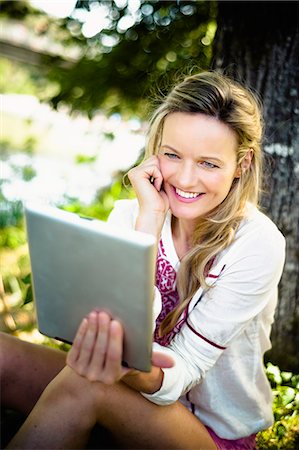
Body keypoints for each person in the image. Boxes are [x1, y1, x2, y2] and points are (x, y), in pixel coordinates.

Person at [1, 71, 285, 450]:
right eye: (172, 155)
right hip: (120, 388)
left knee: (85, 384)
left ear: (243, 164)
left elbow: (181, 374)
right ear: (156, 151)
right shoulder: (130, 216)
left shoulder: (257, 243)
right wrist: (148, 223)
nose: (185, 178)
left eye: (208, 163)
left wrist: (127, 368)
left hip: (209, 434)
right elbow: (107, 325)